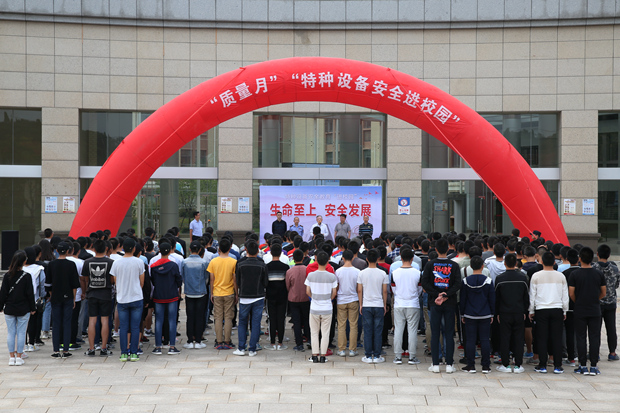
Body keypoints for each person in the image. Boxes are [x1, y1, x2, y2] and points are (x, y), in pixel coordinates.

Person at [421, 238, 461, 373]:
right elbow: (457, 283)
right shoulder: (454, 265)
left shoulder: (430, 264)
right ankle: (449, 364)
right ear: (448, 249)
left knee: (435, 332)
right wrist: (446, 294)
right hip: (449, 302)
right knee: (449, 333)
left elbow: (424, 282)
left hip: (434, 302)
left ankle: (435, 364)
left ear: (436, 249)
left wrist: (436, 294)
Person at [529, 251, 569, 374]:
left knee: (541, 337)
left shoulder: (536, 276)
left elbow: (532, 295)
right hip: (557, 308)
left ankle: (542, 365)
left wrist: (531, 310)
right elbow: (565, 295)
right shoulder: (560, 276)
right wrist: (565, 310)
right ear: (554, 262)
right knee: (556, 338)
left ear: (541, 261)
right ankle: (557, 365)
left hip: (541, 309)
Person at [569, 247, 606, 375]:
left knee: (581, 337)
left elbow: (571, 293)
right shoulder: (598, 274)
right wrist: (595, 299)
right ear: (592, 259)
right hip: (595, 309)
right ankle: (594, 366)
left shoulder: (575, 274)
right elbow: (603, 292)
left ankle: (583, 365)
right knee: (594, 337)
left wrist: (578, 301)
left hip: (580, 308)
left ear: (580, 259)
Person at [112, 238, 146, 361]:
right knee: (135, 327)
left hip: (122, 298)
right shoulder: (139, 262)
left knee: (124, 327)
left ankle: (124, 353)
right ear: (134, 248)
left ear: (122, 248)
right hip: (136, 297)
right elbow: (142, 282)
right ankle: (134, 353)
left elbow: (115, 281)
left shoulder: (116, 263)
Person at [494, 253, 529, 373]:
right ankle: (518, 364)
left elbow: (497, 298)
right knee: (518, 338)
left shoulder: (500, 278)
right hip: (519, 312)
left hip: (504, 312)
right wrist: (525, 311)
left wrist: (497, 313)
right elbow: (526, 297)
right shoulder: (523, 278)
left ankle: (505, 365)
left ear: (504, 263)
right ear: (516, 263)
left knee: (505, 338)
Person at [460, 256, 495, 374]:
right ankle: (486, 366)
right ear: (482, 266)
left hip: (469, 314)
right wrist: (492, 313)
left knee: (470, 340)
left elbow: (463, 299)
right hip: (485, 314)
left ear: (471, 266)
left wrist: (462, 314)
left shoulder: (465, 281)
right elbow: (492, 299)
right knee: (485, 340)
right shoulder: (488, 281)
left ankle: (471, 365)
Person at [0, 251, 35, 366]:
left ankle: (11, 357)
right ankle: (19, 357)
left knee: (11, 333)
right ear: (24, 262)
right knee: (21, 332)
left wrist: (1, 306)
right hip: (23, 308)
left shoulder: (7, 276)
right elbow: (30, 294)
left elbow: (3, 293)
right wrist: (33, 307)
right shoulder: (26, 276)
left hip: (10, 307)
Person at [46, 242, 80, 358]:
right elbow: (75, 284)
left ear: (57, 251)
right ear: (68, 251)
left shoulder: (51, 264)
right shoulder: (71, 264)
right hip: (68, 296)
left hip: (55, 297)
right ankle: (65, 350)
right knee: (67, 322)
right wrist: (74, 298)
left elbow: (48, 284)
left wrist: (51, 295)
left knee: (56, 323)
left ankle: (56, 349)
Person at [233, 240, 268, 357]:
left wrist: (238, 293)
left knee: (243, 322)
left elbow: (237, 281)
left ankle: (241, 348)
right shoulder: (262, 264)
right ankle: (253, 348)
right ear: (258, 251)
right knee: (256, 323)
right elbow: (265, 282)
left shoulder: (240, 264)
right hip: (258, 296)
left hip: (244, 297)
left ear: (246, 250)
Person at [81, 239, 114, 357]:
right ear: (106, 248)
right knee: (105, 320)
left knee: (92, 321)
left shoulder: (87, 262)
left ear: (93, 249)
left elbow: (85, 279)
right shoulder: (110, 262)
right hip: (106, 294)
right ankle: (104, 348)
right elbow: (112, 280)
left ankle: (91, 348)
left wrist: (85, 291)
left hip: (92, 294)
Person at [149, 242, 182, 356]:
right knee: (172, 320)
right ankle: (172, 346)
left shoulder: (153, 266)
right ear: (170, 251)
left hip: (158, 296)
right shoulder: (173, 265)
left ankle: (158, 347)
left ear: (159, 250)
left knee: (159, 321)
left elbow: (153, 281)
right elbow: (178, 280)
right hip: (172, 295)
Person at [391, 247, 422, 365]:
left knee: (398, 330)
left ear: (401, 258)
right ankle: (412, 356)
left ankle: (397, 356)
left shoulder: (394, 273)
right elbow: (419, 289)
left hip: (399, 303)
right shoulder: (418, 273)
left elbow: (393, 289)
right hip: (413, 303)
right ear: (412, 259)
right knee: (412, 331)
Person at [305, 251, 338, 363]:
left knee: (314, 332)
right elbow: (334, 293)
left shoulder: (311, 275)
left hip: (314, 307)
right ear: (328, 261)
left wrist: (314, 297)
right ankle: (323, 356)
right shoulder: (332, 276)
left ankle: (314, 355)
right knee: (325, 333)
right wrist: (329, 299)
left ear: (316, 260)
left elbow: (307, 291)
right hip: (327, 308)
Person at [357, 248, 389, 364]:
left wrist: (361, 304)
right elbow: (385, 291)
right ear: (378, 258)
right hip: (379, 304)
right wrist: (384, 304)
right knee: (378, 330)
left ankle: (367, 354)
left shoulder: (361, 273)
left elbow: (359, 290)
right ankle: (377, 355)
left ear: (366, 259)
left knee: (367, 330)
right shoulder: (383, 273)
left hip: (366, 304)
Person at [207, 238, 238, 349]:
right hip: (229, 292)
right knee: (229, 317)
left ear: (219, 249)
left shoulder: (213, 261)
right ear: (230, 248)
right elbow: (234, 280)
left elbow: (211, 279)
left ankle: (219, 341)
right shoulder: (233, 262)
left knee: (218, 317)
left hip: (217, 292)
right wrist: (236, 293)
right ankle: (227, 341)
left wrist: (211, 293)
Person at [592, 244, 620, 361]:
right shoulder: (614, 268)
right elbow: (617, 284)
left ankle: (595, 353)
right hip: (611, 302)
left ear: (597, 254)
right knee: (611, 328)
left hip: (596, 302)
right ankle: (612, 352)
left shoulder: (593, 268)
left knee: (595, 329)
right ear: (609, 255)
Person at [181, 241, 209, 349]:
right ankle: (198, 341)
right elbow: (206, 278)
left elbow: (182, 277)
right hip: (201, 292)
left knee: (190, 316)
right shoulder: (204, 262)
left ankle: (189, 340)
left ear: (189, 249)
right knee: (200, 316)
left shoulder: (184, 262)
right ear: (200, 250)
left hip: (189, 292)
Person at [335, 250, 360, 357]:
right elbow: (359, 288)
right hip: (353, 299)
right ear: (353, 258)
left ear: (343, 258)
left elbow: (336, 287)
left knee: (341, 325)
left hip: (341, 300)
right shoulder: (357, 271)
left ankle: (341, 349)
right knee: (353, 325)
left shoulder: (338, 271)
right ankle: (352, 350)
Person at [286, 249, 310, 352]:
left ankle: (299, 344)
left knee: (296, 321)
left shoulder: (289, 271)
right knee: (307, 319)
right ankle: (309, 340)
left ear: (294, 259)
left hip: (293, 298)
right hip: (306, 297)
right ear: (303, 258)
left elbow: (288, 286)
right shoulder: (307, 269)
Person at [266, 243, 289, 350]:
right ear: (280, 253)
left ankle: (272, 343)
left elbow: (265, 283)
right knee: (281, 318)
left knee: (271, 318)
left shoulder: (267, 267)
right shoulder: (285, 267)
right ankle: (280, 342)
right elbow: (287, 283)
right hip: (282, 296)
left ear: (271, 253)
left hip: (270, 296)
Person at [23, 247, 45, 352]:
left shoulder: (20, 269)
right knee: (33, 321)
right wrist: (43, 296)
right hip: (34, 299)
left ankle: (24, 344)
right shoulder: (39, 269)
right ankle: (32, 343)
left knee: (23, 323)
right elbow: (42, 285)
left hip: (21, 300)